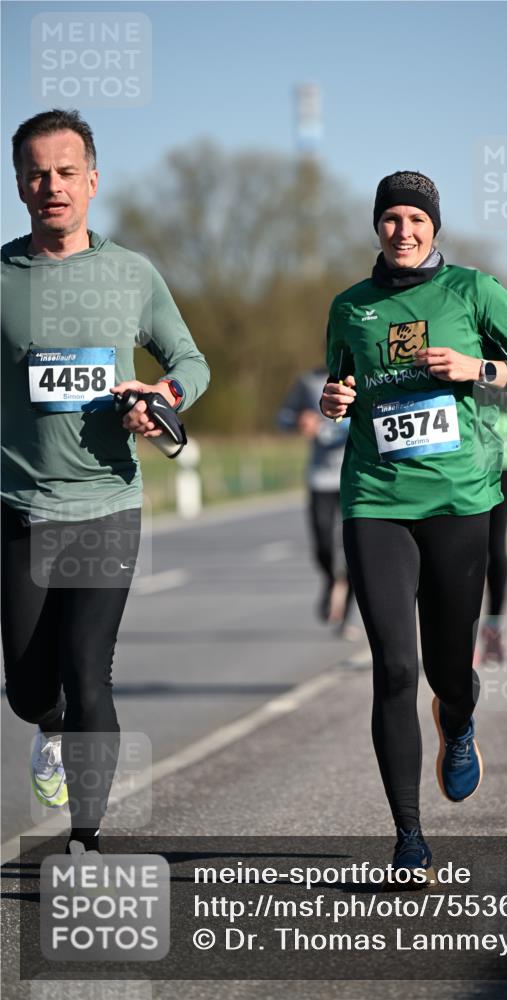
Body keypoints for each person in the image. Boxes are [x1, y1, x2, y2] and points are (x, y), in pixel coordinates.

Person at [320, 170, 507, 877]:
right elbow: (342, 383)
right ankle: (409, 839)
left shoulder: (472, 291)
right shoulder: (350, 306)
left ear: (434, 227)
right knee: (395, 667)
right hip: (375, 500)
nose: (403, 231)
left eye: (416, 219)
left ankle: (458, 716)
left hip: (459, 500)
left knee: (448, 670)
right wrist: (335, 400)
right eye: (391, 218)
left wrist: (478, 367)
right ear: (376, 226)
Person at [1, 109, 209, 853]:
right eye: (37, 174)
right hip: (20, 507)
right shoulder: (3, 276)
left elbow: (190, 362)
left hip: (107, 507)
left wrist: (162, 399)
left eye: (66, 172)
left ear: (93, 180)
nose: (51, 186)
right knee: (30, 689)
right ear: (19, 184)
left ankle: (85, 839)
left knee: (90, 672)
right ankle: (49, 724)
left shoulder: (131, 273)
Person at [277, 367, 357, 637]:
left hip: (355, 476)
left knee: (356, 550)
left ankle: (345, 616)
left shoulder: (363, 372)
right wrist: (299, 421)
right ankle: (332, 579)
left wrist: (328, 428)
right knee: (323, 546)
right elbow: (282, 418)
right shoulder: (308, 382)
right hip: (320, 478)